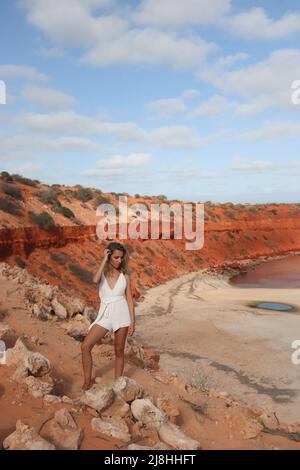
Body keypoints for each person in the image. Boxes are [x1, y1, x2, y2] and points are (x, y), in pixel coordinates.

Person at [81, 242, 135, 390]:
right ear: (109, 255)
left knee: (119, 351)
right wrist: (104, 260)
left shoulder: (125, 276)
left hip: (122, 314)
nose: (119, 261)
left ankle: (117, 386)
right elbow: (94, 280)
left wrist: (132, 321)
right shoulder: (102, 273)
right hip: (105, 315)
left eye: (121, 258)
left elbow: (129, 298)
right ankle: (87, 383)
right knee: (85, 346)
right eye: (116, 257)